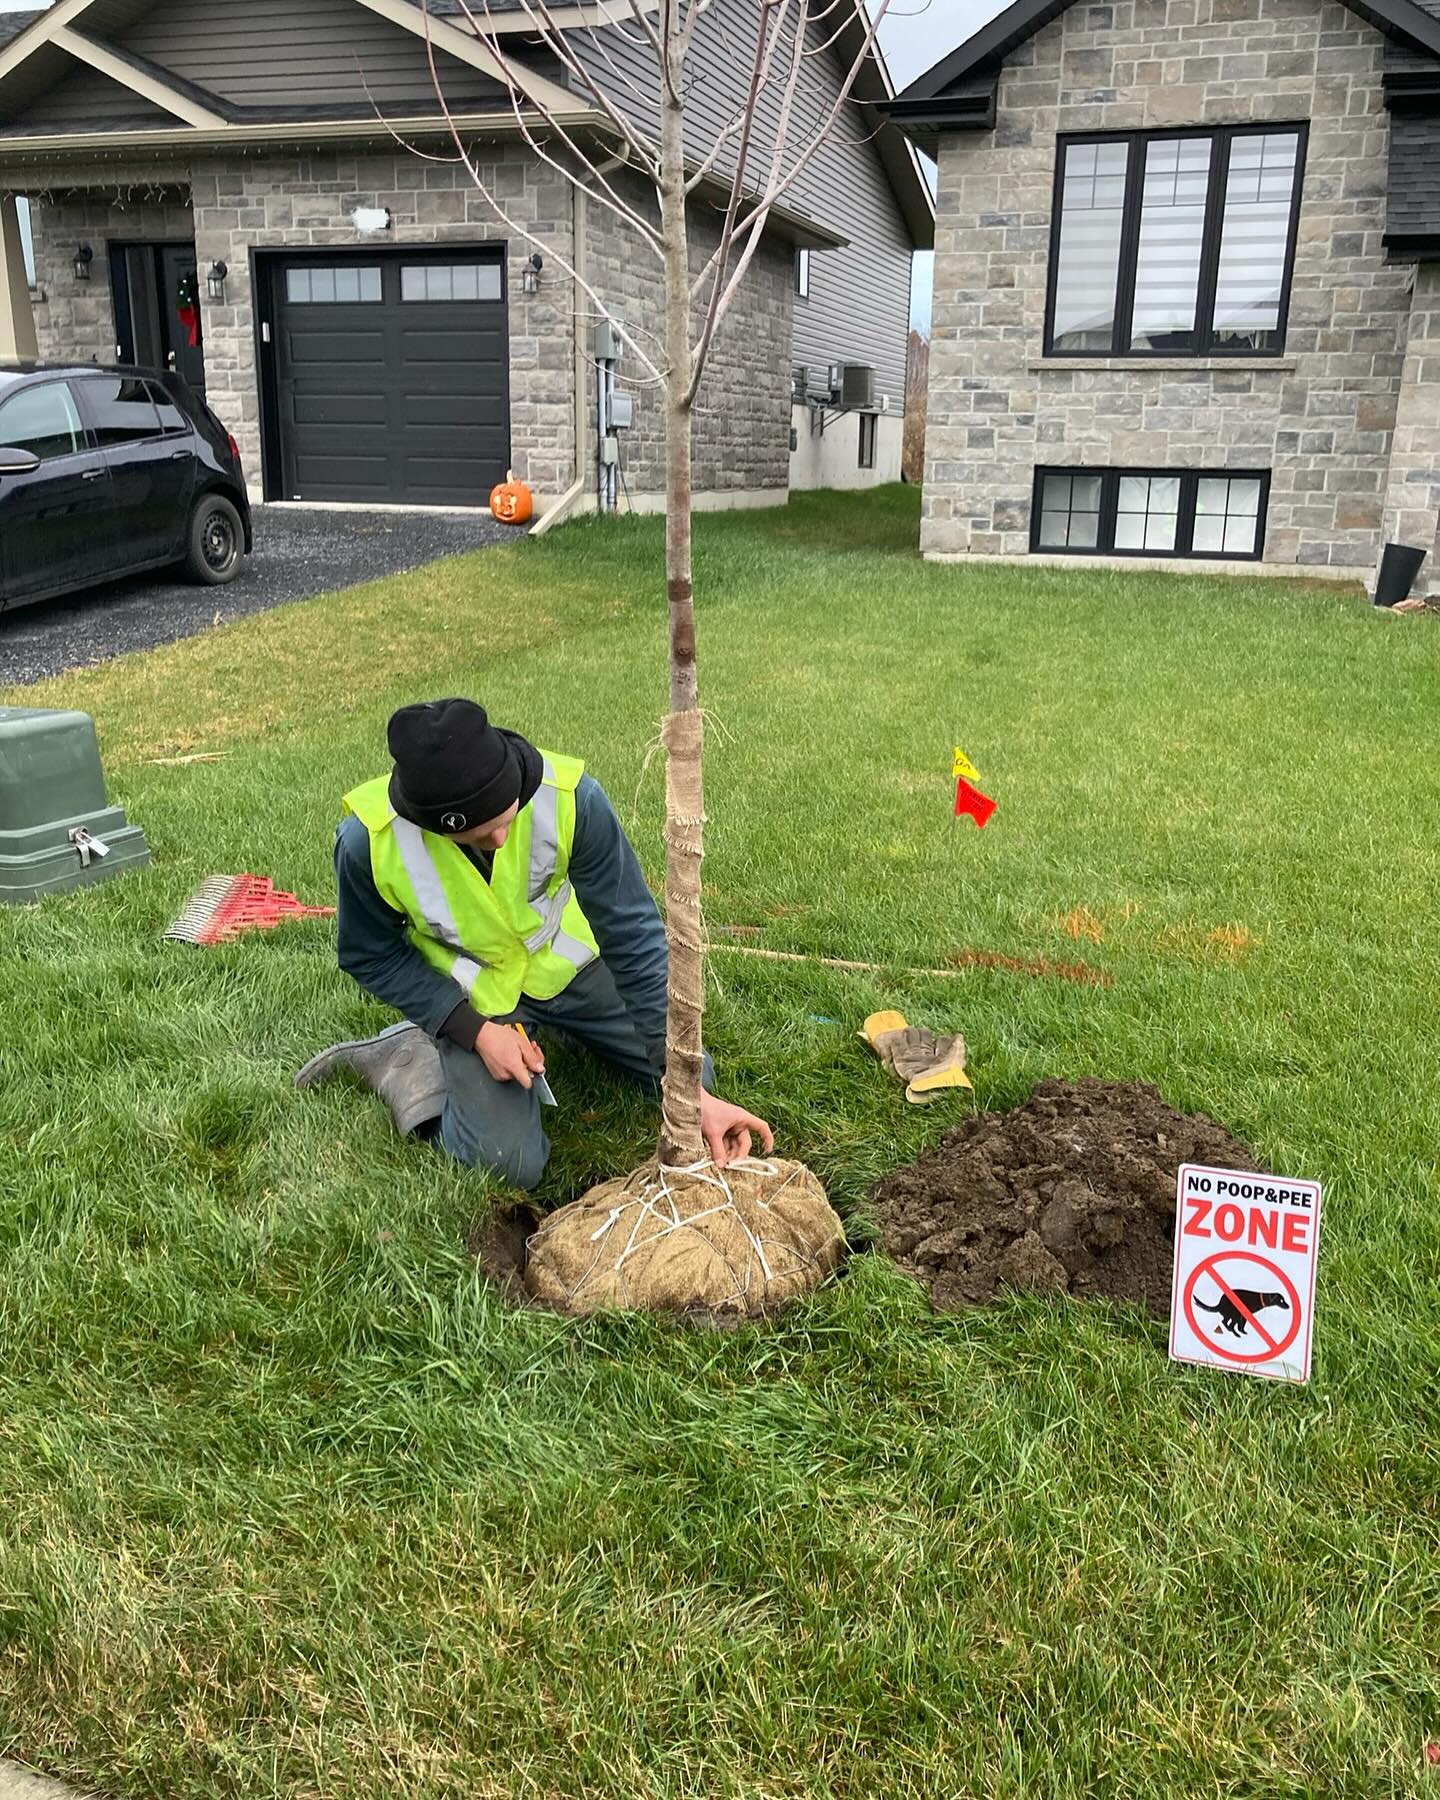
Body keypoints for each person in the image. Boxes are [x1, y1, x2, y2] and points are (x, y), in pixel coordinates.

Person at [295, 697, 772, 1189]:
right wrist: (473, 1030)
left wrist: (687, 1087)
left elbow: (632, 933)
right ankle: (411, 1060)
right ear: (432, 824)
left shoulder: (571, 798)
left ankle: (560, 1029)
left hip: (569, 971)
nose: (501, 838)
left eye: (507, 817)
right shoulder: (367, 843)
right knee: (505, 1165)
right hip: (474, 999)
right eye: (481, 837)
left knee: (694, 1080)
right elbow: (370, 955)